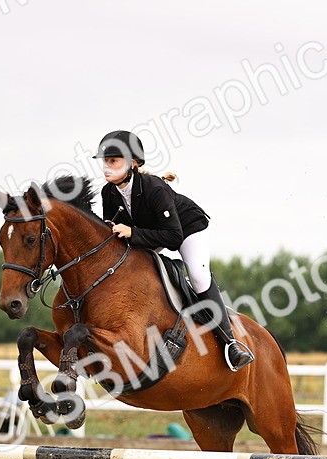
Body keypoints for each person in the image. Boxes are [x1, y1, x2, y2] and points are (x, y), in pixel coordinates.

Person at [92, 130, 254, 371]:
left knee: (198, 277)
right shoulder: (108, 192)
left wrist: (133, 233)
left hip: (186, 229)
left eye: (113, 161)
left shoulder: (154, 188)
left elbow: (173, 236)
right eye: (105, 161)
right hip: (151, 232)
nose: (107, 167)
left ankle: (231, 343)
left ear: (133, 163)